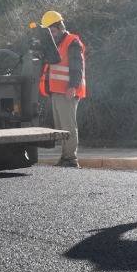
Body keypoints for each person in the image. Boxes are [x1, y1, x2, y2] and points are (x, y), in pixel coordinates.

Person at [39, 10, 87, 168]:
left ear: (60, 28)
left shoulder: (72, 42)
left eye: (52, 31)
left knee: (68, 126)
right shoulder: (56, 44)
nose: (51, 35)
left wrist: (73, 86)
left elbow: (77, 66)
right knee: (62, 127)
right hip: (57, 92)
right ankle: (65, 157)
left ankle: (70, 159)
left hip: (67, 92)